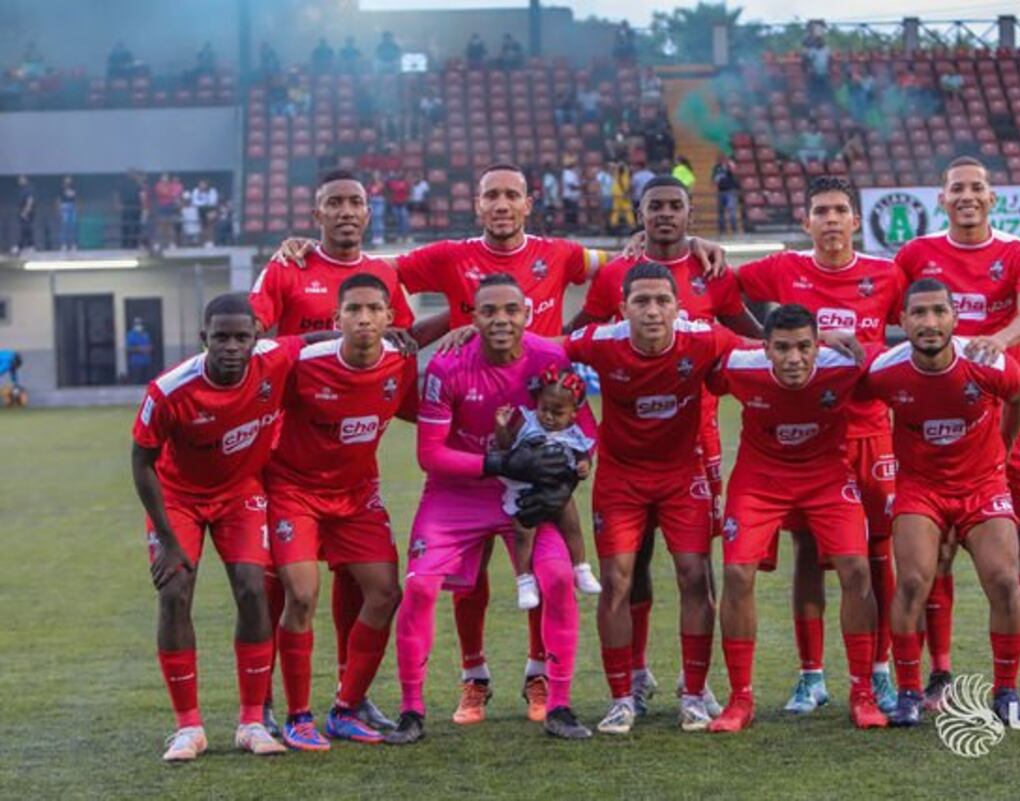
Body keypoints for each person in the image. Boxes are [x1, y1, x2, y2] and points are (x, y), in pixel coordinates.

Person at [270, 166, 726, 725]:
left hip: (539, 455)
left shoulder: (559, 255)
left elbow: (622, 261)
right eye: (492, 195)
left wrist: (685, 240)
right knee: (458, 581)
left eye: (512, 194)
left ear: (529, 203)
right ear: (477, 204)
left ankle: (545, 684)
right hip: (467, 464)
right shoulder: (446, 262)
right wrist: (309, 250)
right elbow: (367, 275)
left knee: (557, 575)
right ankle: (471, 679)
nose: (502, 203)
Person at [567, 176, 761, 718]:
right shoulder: (614, 275)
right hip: (627, 456)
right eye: (656, 206)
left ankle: (694, 686)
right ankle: (631, 678)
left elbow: (755, 342)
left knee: (696, 568)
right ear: (641, 213)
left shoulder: (710, 271)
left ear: (690, 213)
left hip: (697, 443)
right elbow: (565, 340)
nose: (667, 214)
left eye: (676, 205)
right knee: (632, 566)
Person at [893, 156, 1020, 709]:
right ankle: (940, 676)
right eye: (957, 188)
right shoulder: (916, 255)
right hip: (937, 421)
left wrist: (997, 339)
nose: (967, 196)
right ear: (941, 198)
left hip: (1007, 414)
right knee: (936, 552)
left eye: (977, 187)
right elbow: (879, 303)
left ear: (993, 198)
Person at [726, 175, 906, 715]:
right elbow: (721, 288)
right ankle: (811, 676)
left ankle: (878, 675)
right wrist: (766, 337)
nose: (830, 219)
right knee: (807, 552)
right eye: (820, 211)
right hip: (804, 435)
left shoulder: (887, 274)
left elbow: (921, 325)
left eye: (840, 210)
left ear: (856, 221)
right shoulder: (783, 268)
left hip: (868, 433)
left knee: (874, 556)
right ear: (806, 222)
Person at [250, 169, 422, 736]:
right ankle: (274, 706)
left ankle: (349, 700)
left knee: (368, 588)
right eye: (334, 203)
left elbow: (405, 350)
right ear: (316, 212)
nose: (346, 211)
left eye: (356, 202)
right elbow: (250, 336)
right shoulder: (289, 266)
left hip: (354, 477)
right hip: (289, 460)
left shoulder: (382, 277)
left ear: (369, 211)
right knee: (287, 591)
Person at [393, 274, 593, 743]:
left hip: (523, 493)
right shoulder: (447, 366)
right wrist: (497, 460)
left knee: (559, 578)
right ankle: (411, 710)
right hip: (457, 492)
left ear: (526, 313)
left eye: (510, 310)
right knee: (420, 587)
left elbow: (583, 426)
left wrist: (568, 476)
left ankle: (559, 703)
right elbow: (431, 454)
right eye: (488, 311)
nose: (500, 320)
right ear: (473, 317)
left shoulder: (551, 358)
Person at [130, 292, 298, 761]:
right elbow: (141, 462)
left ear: (256, 338)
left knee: (251, 588)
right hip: (178, 498)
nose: (230, 346)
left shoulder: (275, 359)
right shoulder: (168, 390)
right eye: (220, 336)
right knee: (175, 591)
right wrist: (165, 539)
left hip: (240, 493)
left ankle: (251, 722)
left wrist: (388, 336)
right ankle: (188, 728)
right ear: (203, 337)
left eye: (240, 337)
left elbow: (323, 340)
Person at [707, 305, 889, 732]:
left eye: (805, 347)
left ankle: (862, 692)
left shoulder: (845, 362)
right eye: (783, 348)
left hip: (827, 476)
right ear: (765, 349)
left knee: (856, 569)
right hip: (760, 479)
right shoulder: (739, 365)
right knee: (736, 573)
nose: (794, 358)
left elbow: (911, 353)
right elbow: (705, 352)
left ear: (817, 345)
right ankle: (740, 699)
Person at [862, 278, 1020, 727]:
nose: (930, 322)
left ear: (955, 318)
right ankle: (909, 694)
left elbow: (1017, 395)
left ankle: (1007, 691)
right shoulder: (885, 370)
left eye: (939, 311)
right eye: (918, 313)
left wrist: (1004, 450)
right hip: (921, 488)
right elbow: (851, 394)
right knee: (914, 582)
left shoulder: (986, 361)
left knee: (1003, 580)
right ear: (902, 321)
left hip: (983, 485)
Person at [269, 273, 418, 751]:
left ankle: (345, 708)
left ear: (390, 318)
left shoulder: (401, 362)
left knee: (385, 592)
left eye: (374, 309)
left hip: (356, 495)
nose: (364, 318)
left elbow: (428, 360)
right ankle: (297, 717)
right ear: (336, 319)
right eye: (353, 310)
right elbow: (253, 364)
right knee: (302, 596)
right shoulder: (303, 362)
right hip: (295, 490)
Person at [492, 367, 601, 609]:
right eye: (544, 409)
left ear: (573, 413)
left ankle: (581, 567)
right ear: (536, 403)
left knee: (572, 522)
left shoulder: (572, 432)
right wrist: (501, 426)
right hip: (524, 489)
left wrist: (584, 465)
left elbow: (582, 453)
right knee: (523, 532)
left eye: (557, 412)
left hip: (556, 489)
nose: (549, 417)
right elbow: (506, 447)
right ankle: (524, 580)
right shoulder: (527, 422)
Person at [711, 156, 740, 236]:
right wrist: (716, 180)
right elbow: (713, 179)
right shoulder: (717, 168)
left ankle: (735, 231)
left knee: (732, 212)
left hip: (730, 191)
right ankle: (722, 232)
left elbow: (735, 175)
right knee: (721, 213)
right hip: (721, 192)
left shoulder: (730, 165)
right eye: (721, 158)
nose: (723, 160)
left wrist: (730, 166)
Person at [191, 180, 219, 247]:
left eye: (204, 184)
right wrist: (204, 203)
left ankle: (210, 241)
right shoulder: (196, 191)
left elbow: (213, 202)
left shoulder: (212, 191)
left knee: (210, 220)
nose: (202, 186)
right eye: (201, 184)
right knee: (200, 224)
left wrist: (202, 203)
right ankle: (202, 241)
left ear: (207, 185)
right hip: (199, 210)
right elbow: (194, 202)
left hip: (210, 209)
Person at [126, 317, 154, 384]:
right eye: (137, 324)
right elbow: (129, 348)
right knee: (137, 381)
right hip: (136, 363)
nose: (139, 325)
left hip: (147, 361)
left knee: (147, 382)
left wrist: (150, 348)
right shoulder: (131, 335)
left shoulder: (146, 334)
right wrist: (140, 349)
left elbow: (150, 345)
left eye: (140, 323)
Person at [610, 162, 635, 233]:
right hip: (621, 194)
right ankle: (631, 225)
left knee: (617, 210)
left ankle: (613, 225)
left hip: (618, 194)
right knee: (626, 210)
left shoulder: (619, 171)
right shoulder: (622, 171)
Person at [15, 175, 35, 254]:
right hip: (22, 212)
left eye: (20, 179)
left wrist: (25, 212)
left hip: (27, 213)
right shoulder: (22, 189)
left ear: (25, 179)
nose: (19, 181)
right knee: (26, 229)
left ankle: (22, 246)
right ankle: (29, 246)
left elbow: (30, 201)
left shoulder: (28, 188)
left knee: (25, 229)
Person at [561, 159, 582, 230]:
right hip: (569, 197)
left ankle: (573, 230)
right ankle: (569, 230)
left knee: (574, 215)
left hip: (574, 197)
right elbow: (571, 186)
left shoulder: (573, 173)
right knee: (570, 215)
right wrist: (581, 187)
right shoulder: (567, 173)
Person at [58, 176, 77, 251]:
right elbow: (58, 199)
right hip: (64, 206)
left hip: (72, 206)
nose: (68, 180)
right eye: (67, 178)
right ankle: (64, 244)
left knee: (72, 226)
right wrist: (60, 209)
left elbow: (75, 199)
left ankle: (73, 244)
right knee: (64, 226)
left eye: (69, 178)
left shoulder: (74, 188)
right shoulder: (61, 188)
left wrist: (76, 208)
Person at [367, 171, 387, 246]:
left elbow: (383, 190)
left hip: (379, 200)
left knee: (379, 218)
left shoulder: (381, 183)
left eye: (377, 175)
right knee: (374, 219)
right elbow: (368, 192)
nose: (376, 176)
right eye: (374, 175)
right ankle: (375, 237)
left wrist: (379, 185)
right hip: (373, 200)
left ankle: (380, 236)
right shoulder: (370, 184)